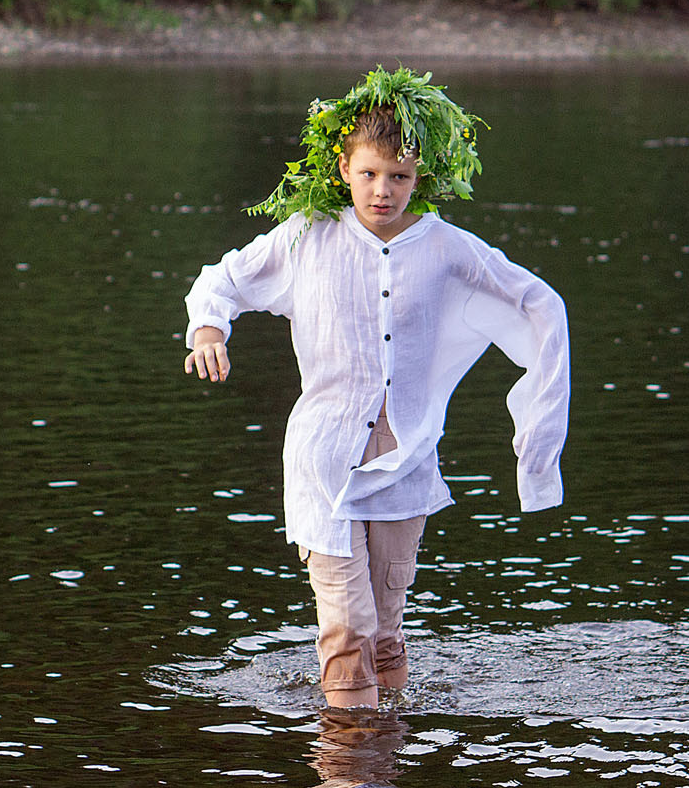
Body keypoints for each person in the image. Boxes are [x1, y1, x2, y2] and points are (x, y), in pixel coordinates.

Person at [182, 67, 570, 710]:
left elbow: (540, 304)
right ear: (343, 169)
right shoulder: (307, 237)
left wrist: (537, 444)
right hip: (324, 462)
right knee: (348, 629)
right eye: (369, 174)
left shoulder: (448, 249)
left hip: (407, 462)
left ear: (422, 179)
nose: (383, 190)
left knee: (386, 634)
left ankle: (384, 780)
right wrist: (208, 331)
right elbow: (221, 279)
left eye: (399, 177)